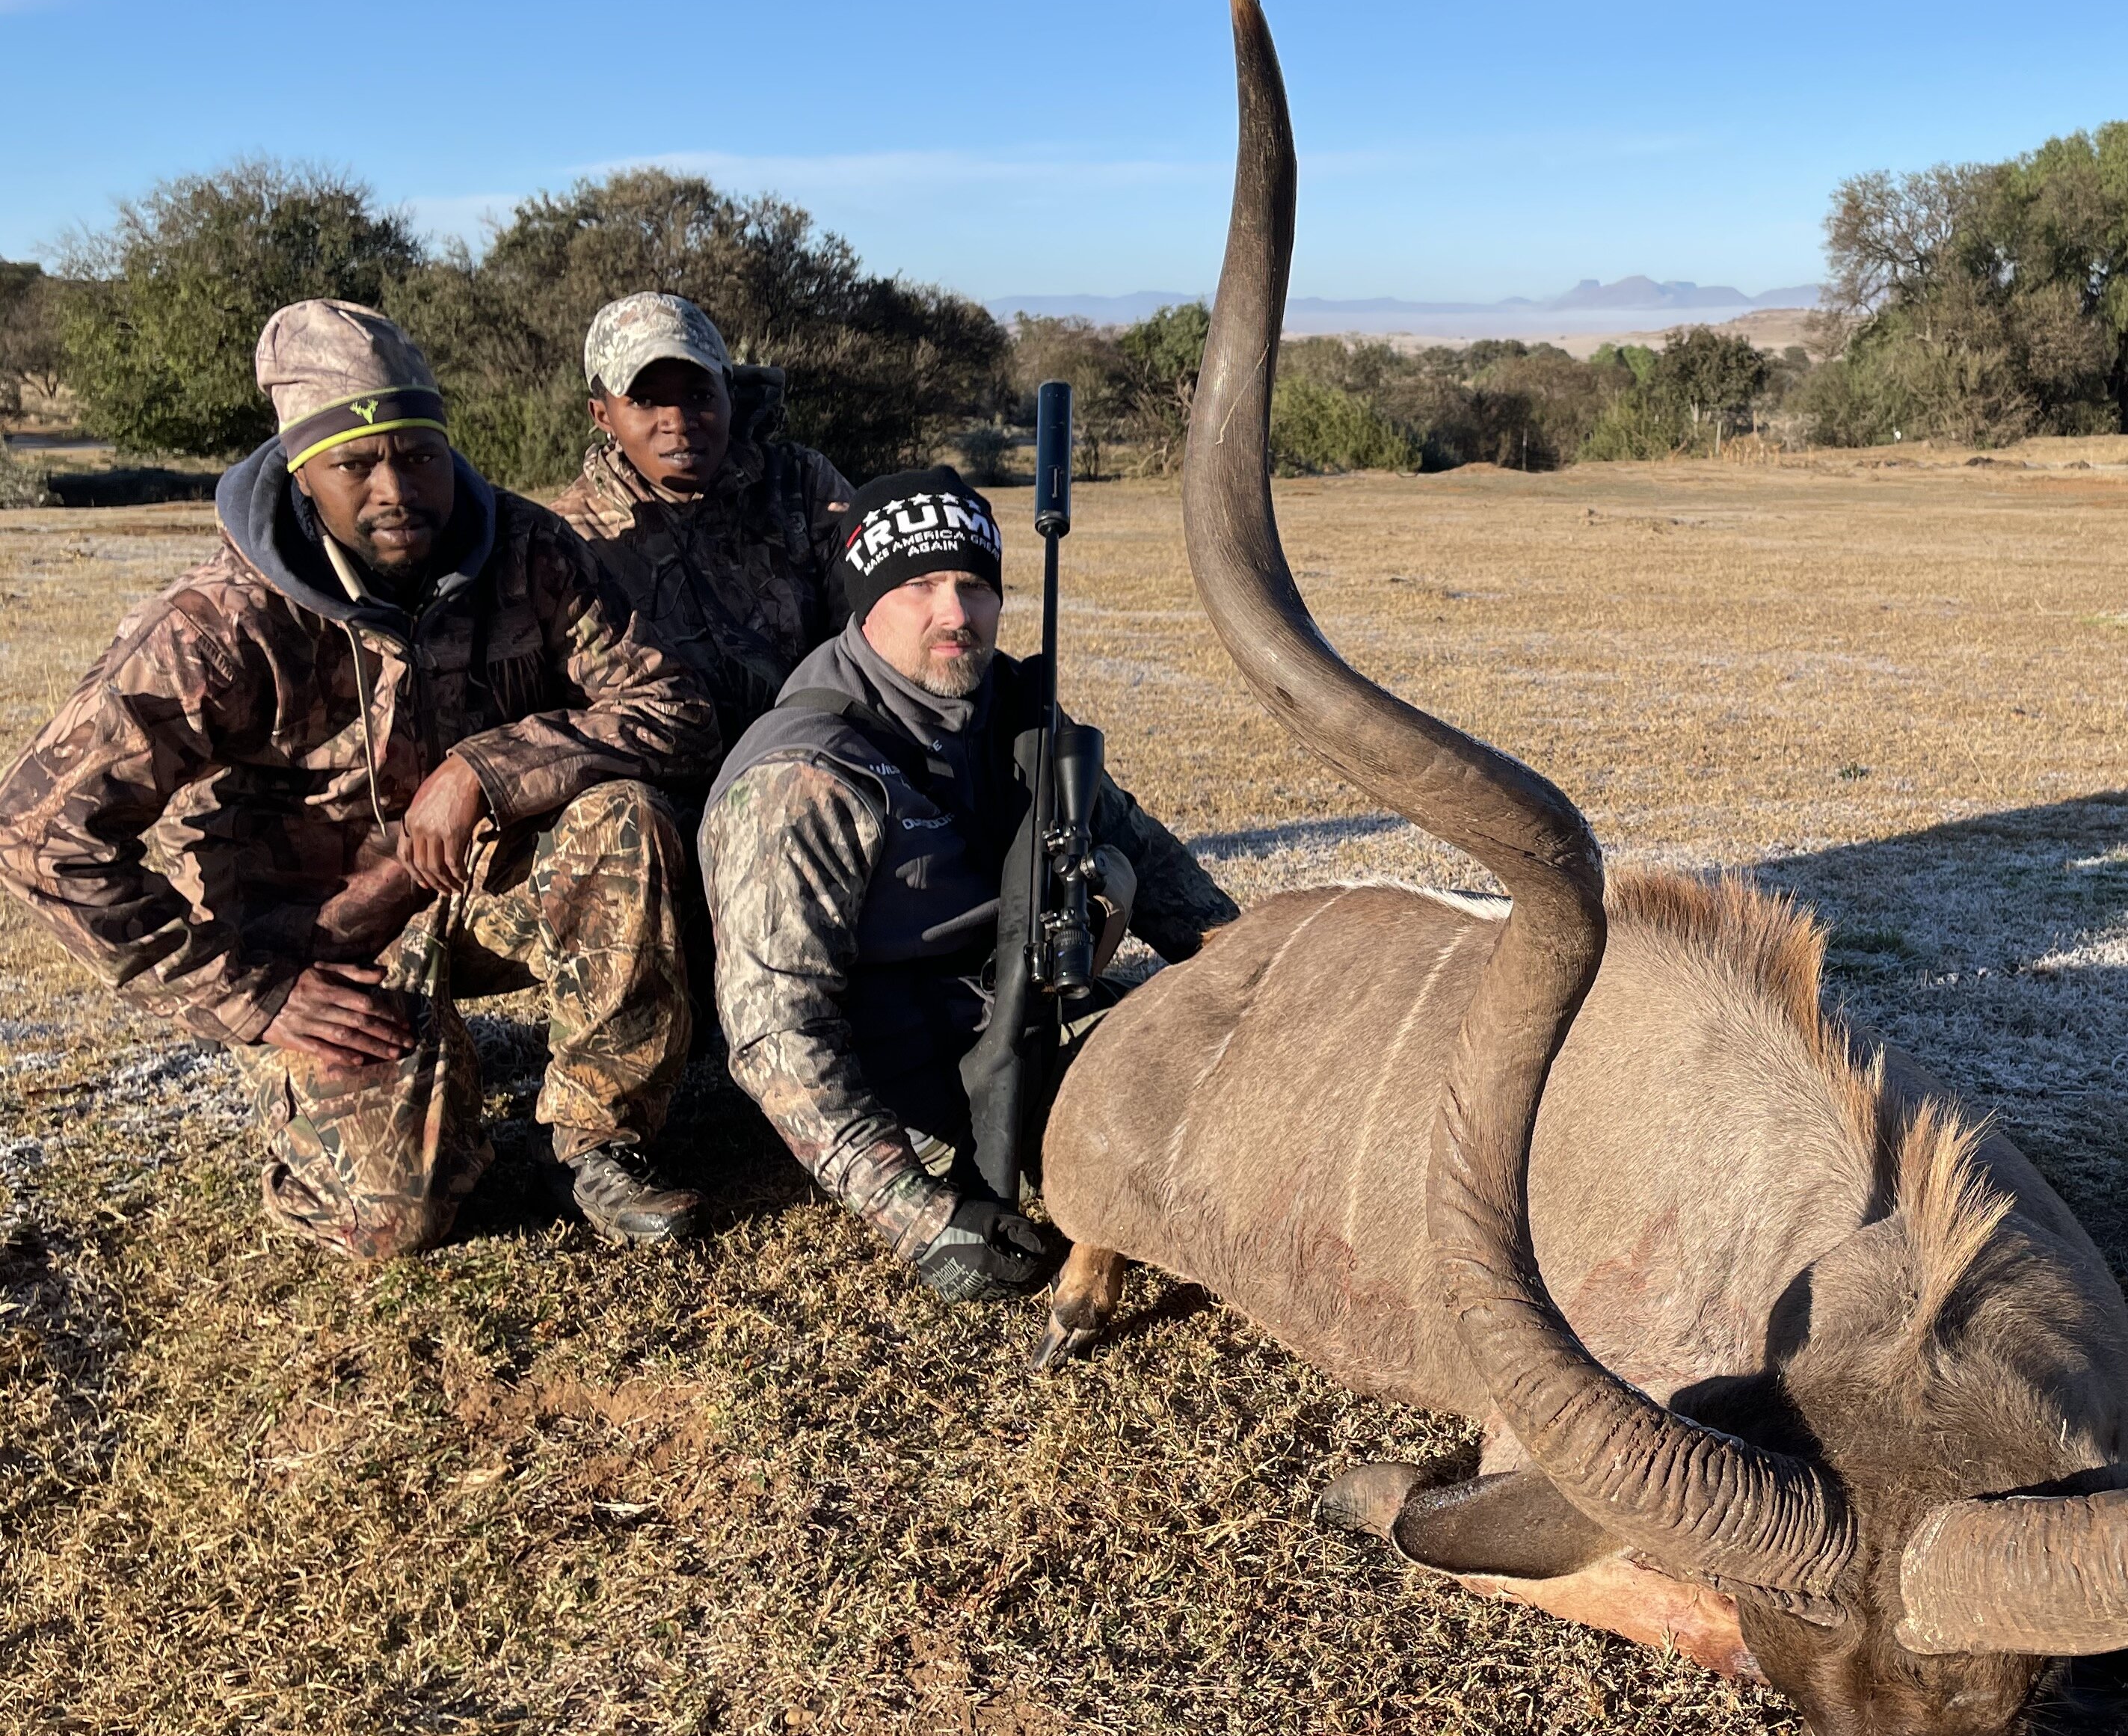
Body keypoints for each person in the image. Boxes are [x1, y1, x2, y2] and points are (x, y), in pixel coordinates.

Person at [0, 301, 719, 1256]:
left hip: (472, 884)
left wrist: (489, 766)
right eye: (356, 464)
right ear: (302, 468)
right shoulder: (217, 622)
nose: (398, 489)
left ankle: (597, 1140)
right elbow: (40, 832)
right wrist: (252, 994)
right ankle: (370, 1092)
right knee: (393, 1221)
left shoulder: (529, 549)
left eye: (419, 455)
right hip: (315, 940)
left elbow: (674, 705)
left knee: (624, 817)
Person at [700, 468, 1237, 1299]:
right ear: (865, 602)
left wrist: (1264, 974)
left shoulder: (1015, 716)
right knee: (1193, 1144)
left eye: (974, 584)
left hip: (1028, 1019)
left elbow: (1158, 870)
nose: (955, 613)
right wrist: (921, 1218)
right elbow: (776, 1033)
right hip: (901, 1088)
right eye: (918, 585)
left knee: (1230, 1061)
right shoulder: (802, 776)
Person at [553, 292, 855, 754]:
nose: (678, 421)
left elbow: (875, 629)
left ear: (729, 395)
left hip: (809, 756)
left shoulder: (801, 484)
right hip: (661, 778)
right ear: (602, 416)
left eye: (699, 396)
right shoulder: (571, 537)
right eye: (646, 401)